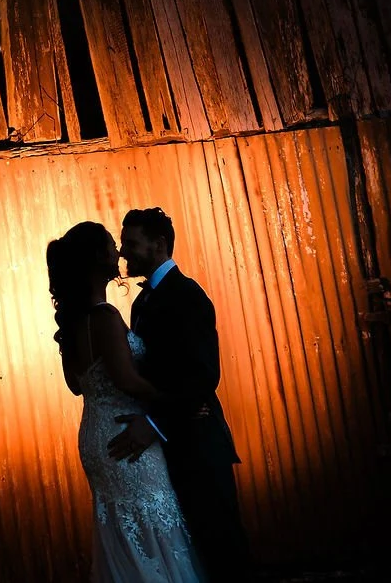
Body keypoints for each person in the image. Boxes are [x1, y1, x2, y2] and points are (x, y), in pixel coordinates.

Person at [50, 221, 205, 583]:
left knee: (122, 529)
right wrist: (176, 403)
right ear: (94, 260)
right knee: (152, 527)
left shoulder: (72, 324)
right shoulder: (104, 317)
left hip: (95, 434)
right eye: (109, 246)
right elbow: (127, 379)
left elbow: (77, 385)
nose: (117, 253)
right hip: (124, 433)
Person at [108, 208, 252, 583]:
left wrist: (155, 423)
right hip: (166, 450)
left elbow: (203, 376)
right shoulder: (142, 303)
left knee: (221, 551)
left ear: (158, 245)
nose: (124, 253)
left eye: (131, 244)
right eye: (123, 244)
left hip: (198, 445)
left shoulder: (188, 296)